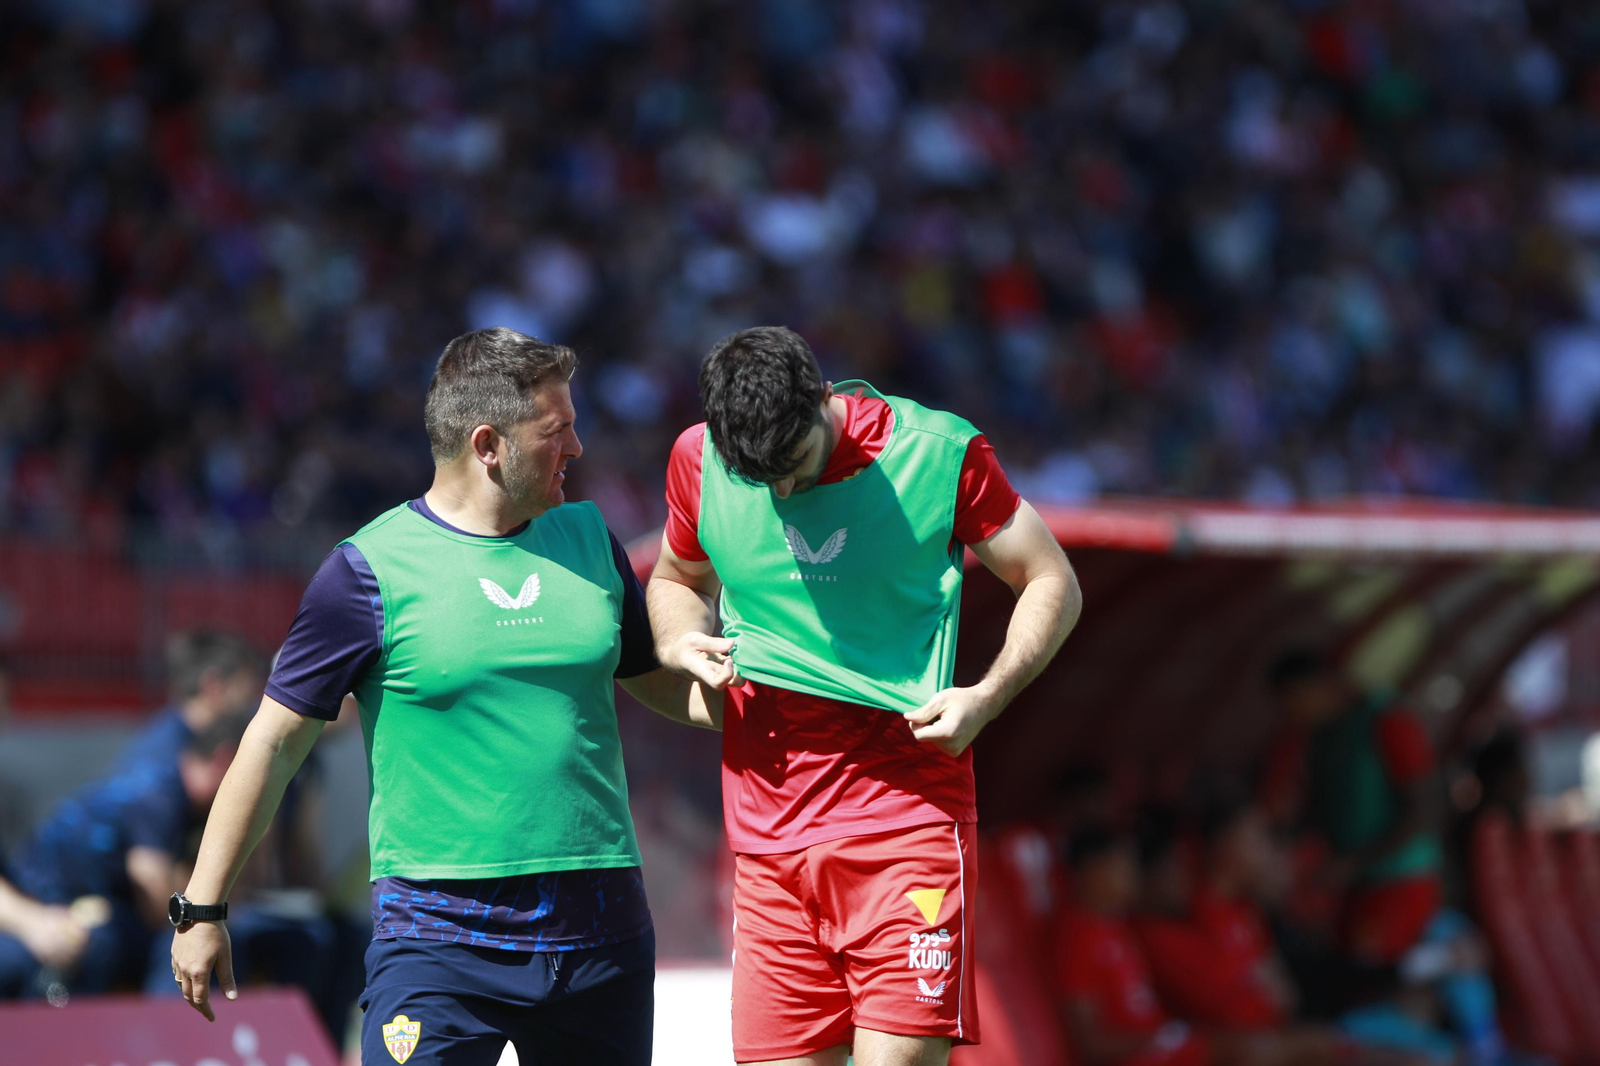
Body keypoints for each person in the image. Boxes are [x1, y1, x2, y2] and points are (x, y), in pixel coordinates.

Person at [171, 328, 716, 1066]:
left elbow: (665, 686)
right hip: (439, 942)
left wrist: (782, 695)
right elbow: (272, 743)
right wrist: (202, 908)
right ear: (488, 445)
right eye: (556, 430)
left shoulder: (591, 539)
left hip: (601, 932)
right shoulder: (366, 572)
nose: (578, 447)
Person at [647, 326, 1082, 1066]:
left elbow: (1050, 579)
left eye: (793, 464)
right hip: (766, 838)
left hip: (905, 818)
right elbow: (675, 579)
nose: (784, 493)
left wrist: (986, 695)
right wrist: (678, 638)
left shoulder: (938, 454)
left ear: (823, 397)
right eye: (760, 477)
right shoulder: (698, 458)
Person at [0, 716, 244, 1000]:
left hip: (97, 901)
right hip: (47, 898)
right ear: (225, 759)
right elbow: (155, 898)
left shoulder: (184, 797)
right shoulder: (158, 793)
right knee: (176, 940)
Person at [1056, 825, 1210, 1066]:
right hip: (1140, 1057)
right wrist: (1156, 1040)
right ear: (1092, 871)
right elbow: (1091, 1045)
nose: (1132, 874)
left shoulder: (1118, 926)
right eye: (1121, 865)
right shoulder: (1076, 940)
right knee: (1251, 1052)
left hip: (1162, 1047)